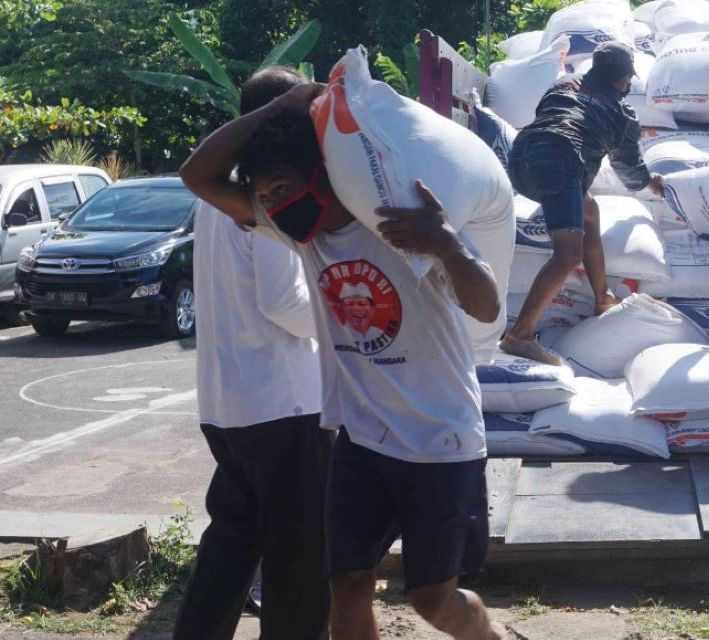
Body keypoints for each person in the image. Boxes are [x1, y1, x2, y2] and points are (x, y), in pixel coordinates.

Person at [179, 82, 504, 640]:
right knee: (346, 587)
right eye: (265, 194)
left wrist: (446, 244)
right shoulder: (298, 236)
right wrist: (278, 109)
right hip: (361, 440)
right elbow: (197, 177)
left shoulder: (399, 226)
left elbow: (487, 305)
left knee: (433, 599)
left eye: (282, 187)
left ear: (322, 174)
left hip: (438, 440)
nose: (275, 204)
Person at [174, 66, 331, 640]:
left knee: (232, 545)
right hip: (283, 405)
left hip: (227, 406)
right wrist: (344, 324)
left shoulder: (216, 195)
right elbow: (283, 300)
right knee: (300, 561)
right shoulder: (268, 194)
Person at [499, 42, 663, 365]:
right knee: (567, 253)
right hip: (560, 158)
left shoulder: (563, 84)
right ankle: (519, 336)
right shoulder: (621, 113)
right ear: (622, 80)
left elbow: (550, 115)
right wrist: (648, 182)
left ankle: (602, 298)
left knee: (590, 212)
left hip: (521, 157)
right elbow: (627, 167)